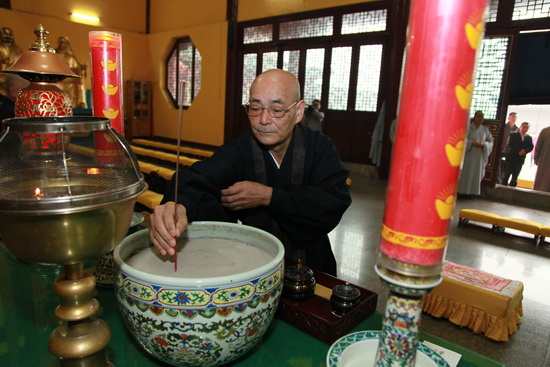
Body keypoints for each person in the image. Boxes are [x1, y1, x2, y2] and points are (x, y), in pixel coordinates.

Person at [149, 69, 351, 275]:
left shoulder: (320, 147)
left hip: (312, 265)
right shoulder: (240, 149)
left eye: (276, 110)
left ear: (299, 111)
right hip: (255, 260)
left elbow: (331, 202)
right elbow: (201, 177)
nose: (263, 119)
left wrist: (269, 196)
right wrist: (179, 204)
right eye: (255, 108)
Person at [458, 110, 494, 198]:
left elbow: (490, 142)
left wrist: (484, 144)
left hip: (479, 155)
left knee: (476, 173)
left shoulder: (485, 130)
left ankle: (472, 193)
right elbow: (461, 140)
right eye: (478, 116)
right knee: (466, 172)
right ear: (474, 117)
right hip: (468, 154)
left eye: (482, 116)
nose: (480, 118)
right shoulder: (467, 128)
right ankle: (461, 192)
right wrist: (471, 143)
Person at [55, 36, 88, 108]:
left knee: (79, 83)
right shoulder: (55, 55)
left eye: (66, 43)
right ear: (59, 44)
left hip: (70, 79)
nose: (64, 45)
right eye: (63, 43)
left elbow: (76, 68)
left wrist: (82, 69)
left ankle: (79, 104)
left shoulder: (71, 56)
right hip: (58, 79)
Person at [502, 122, 533, 187]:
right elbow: (511, 144)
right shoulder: (513, 135)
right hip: (511, 159)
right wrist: (518, 151)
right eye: (523, 127)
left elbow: (530, 147)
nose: (524, 129)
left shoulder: (529, 138)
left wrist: (524, 151)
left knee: (515, 178)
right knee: (506, 176)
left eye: (526, 127)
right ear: (520, 127)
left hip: (520, 160)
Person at [0, 27, 23, 95]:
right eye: (5, 34)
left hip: (14, 77)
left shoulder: (17, 50)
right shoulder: (1, 48)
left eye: (10, 35)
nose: (8, 37)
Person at [497, 112, 518, 184]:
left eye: (515, 117)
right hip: (500, 150)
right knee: (498, 167)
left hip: (509, 153)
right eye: (512, 117)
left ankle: (502, 182)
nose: (514, 118)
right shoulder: (503, 127)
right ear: (508, 118)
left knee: (506, 169)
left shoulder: (517, 130)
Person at [534, 126, 550, 192]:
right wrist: (537, 160)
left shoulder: (545, 131)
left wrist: (537, 160)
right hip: (544, 163)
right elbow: (538, 147)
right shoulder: (545, 131)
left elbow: (538, 147)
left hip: (544, 163)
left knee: (542, 185)